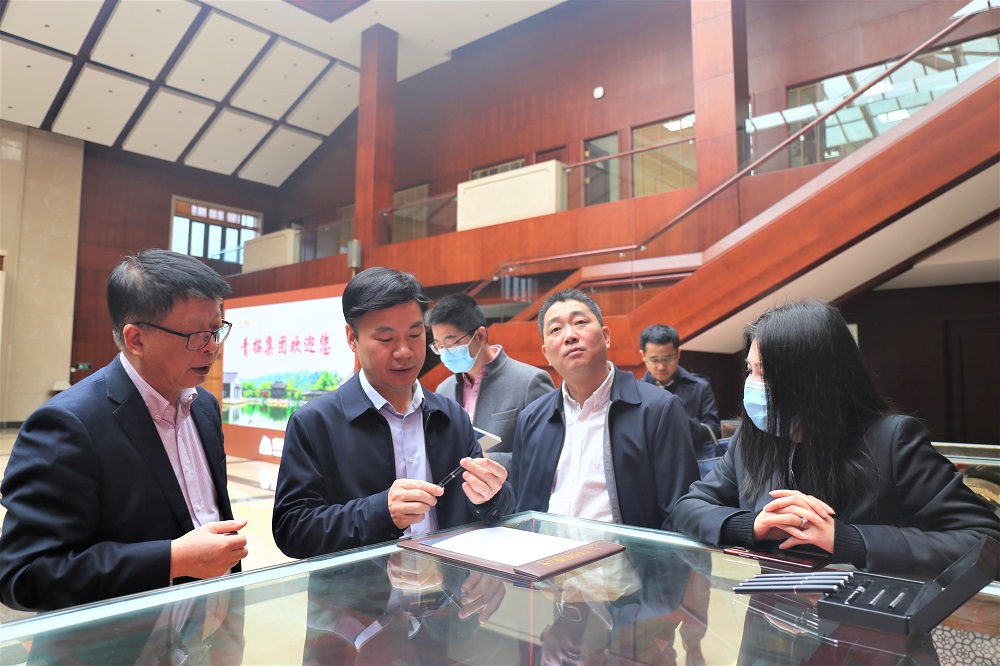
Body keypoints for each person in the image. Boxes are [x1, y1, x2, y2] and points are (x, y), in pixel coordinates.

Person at [672, 299, 1000, 576]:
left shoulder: (892, 440)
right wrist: (751, 526)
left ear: (814, 380)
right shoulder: (751, 439)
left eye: (765, 373)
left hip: (865, 622)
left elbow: (985, 542)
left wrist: (850, 541)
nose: (752, 384)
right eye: (750, 370)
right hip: (768, 617)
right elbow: (688, 508)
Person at [0, 249, 248, 612]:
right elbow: (24, 575)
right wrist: (172, 559)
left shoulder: (204, 406)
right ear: (136, 340)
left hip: (209, 627)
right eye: (196, 334)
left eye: (215, 329)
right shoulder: (68, 424)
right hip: (122, 637)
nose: (211, 347)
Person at [272, 267, 513, 559]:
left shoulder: (451, 415)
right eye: (386, 339)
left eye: (414, 334)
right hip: (360, 588)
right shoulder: (314, 423)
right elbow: (291, 530)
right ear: (352, 338)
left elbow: (492, 511)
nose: (404, 351)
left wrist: (492, 496)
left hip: (447, 584)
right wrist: (380, 512)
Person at [509, 289, 699, 530]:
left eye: (580, 322)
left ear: (606, 336)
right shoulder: (531, 418)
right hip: (544, 552)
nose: (569, 336)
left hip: (626, 554)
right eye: (555, 329)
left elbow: (681, 512)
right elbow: (521, 506)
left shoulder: (659, 409)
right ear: (546, 353)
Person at [427, 293, 555, 470]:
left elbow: (547, 452)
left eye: (451, 343)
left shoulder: (530, 381)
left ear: (480, 335)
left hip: (508, 486)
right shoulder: (444, 389)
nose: (445, 352)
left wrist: (487, 462)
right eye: (439, 346)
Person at [639, 324, 721, 448]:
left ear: (678, 353)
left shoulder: (700, 387)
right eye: (654, 360)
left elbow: (714, 433)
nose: (661, 367)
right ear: (643, 356)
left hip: (692, 457)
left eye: (668, 359)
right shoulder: (636, 391)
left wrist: (681, 419)